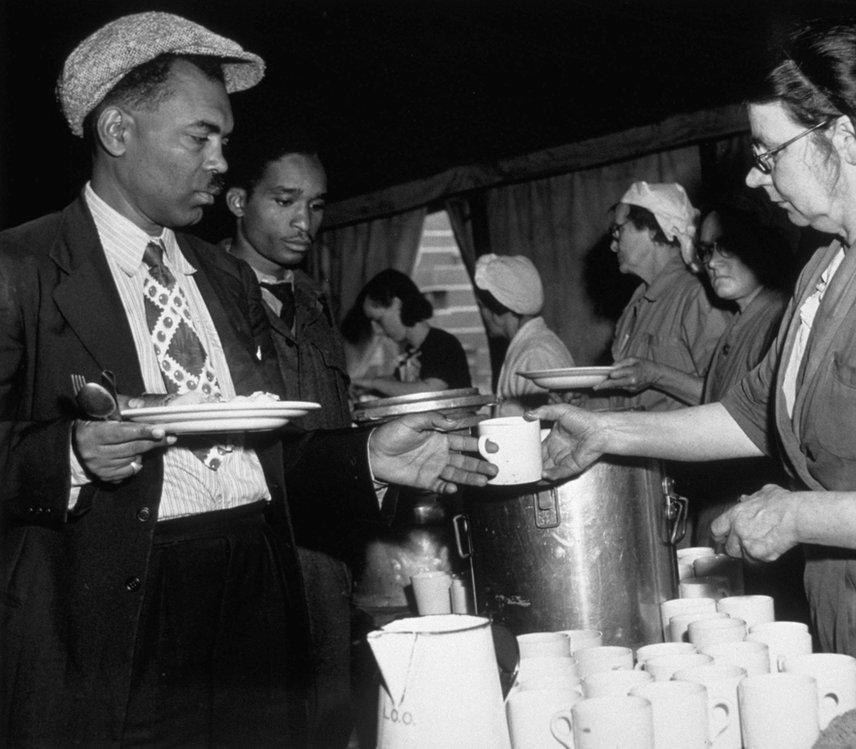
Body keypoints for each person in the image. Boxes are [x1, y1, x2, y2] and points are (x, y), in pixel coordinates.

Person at [0, 13, 494, 745]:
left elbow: (265, 457)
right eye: (200, 137)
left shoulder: (227, 277)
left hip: (256, 594)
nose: (221, 161)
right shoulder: (24, 269)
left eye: (225, 140)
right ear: (117, 132)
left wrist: (367, 458)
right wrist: (67, 454)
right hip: (117, 616)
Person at [530, 19, 856, 743]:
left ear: (838, 137)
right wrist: (609, 431)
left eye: (768, 153)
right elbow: (750, 412)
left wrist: (798, 515)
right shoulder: (826, 263)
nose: (752, 175)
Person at [222, 125, 356, 746]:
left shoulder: (312, 299)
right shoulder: (209, 297)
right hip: (254, 548)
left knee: (331, 714)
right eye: (285, 200)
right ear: (237, 202)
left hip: (326, 548)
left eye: (317, 204)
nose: (305, 221)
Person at [593, 181, 731, 411]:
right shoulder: (635, 305)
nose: (613, 246)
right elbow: (627, 397)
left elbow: (730, 397)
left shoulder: (698, 297)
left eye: (619, 230)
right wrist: (584, 400)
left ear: (653, 228)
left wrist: (657, 376)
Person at [473, 253, 574, 415]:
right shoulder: (528, 346)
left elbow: (544, 425)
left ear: (497, 308)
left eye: (482, 306)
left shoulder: (535, 355)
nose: (482, 314)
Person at [353, 268, 472, 396]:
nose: (376, 330)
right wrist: (371, 389)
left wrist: (373, 383)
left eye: (379, 320)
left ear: (397, 305)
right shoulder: (410, 351)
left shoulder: (442, 344)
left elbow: (431, 390)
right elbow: (402, 387)